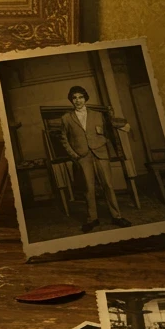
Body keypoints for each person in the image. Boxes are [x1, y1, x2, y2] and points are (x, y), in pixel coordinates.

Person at [59, 85, 132, 233]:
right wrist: (74, 156)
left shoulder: (98, 115)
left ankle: (116, 216)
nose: (78, 100)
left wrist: (104, 142)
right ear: (71, 100)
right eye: (74, 98)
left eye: (80, 97)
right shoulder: (66, 118)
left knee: (108, 186)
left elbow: (109, 132)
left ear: (85, 98)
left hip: (101, 154)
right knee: (89, 188)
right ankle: (92, 219)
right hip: (83, 156)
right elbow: (64, 139)